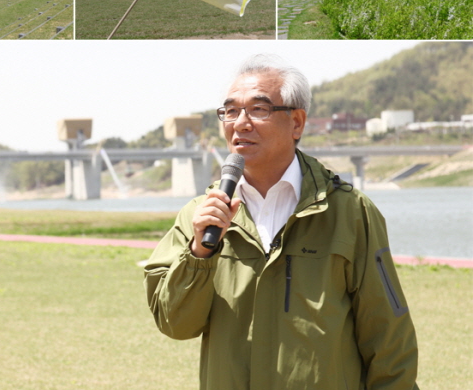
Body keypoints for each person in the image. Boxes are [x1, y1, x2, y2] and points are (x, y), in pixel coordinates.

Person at [143, 54, 419, 390]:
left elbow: (388, 336)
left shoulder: (349, 212)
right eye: (230, 111)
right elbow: (175, 324)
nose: (240, 123)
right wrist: (198, 253)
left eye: (258, 109)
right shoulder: (200, 216)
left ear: (297, 123)